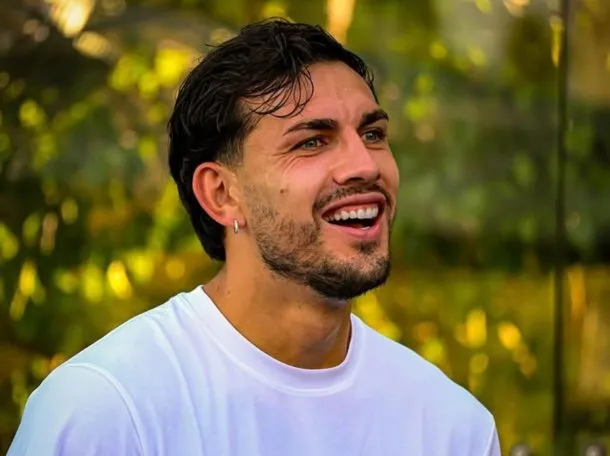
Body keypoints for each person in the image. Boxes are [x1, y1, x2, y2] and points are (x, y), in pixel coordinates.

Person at [8, 18, 501, 456]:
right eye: (312, 141)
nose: (365, 166)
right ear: (221, 194)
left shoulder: (452, 428)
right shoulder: (109, 410)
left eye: (372, 135)